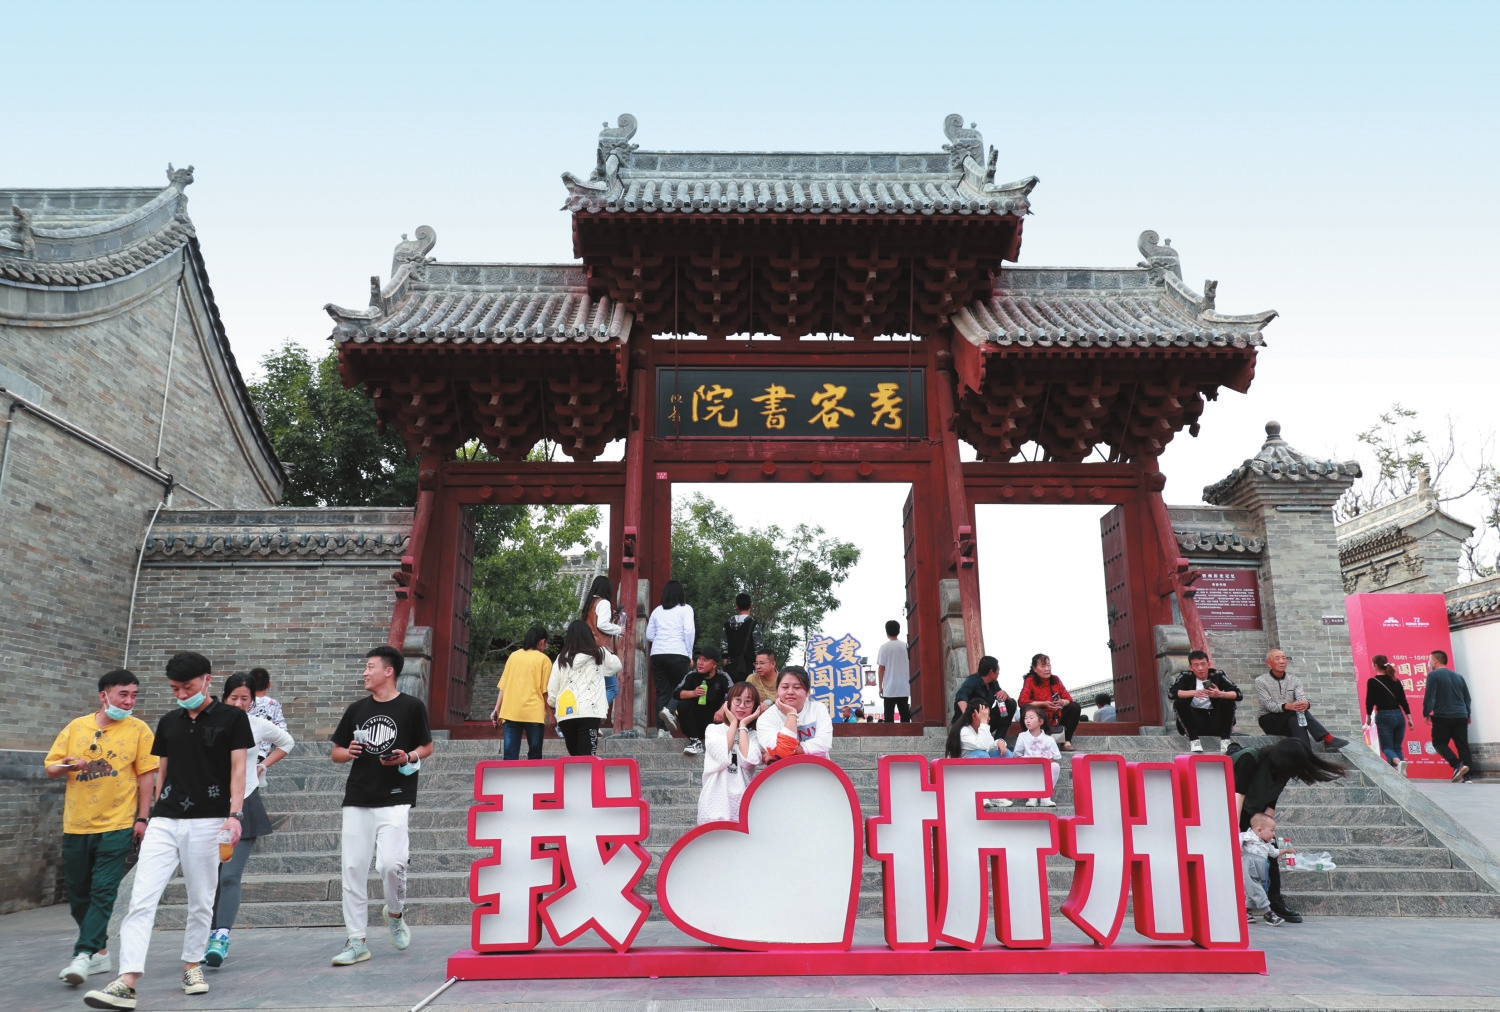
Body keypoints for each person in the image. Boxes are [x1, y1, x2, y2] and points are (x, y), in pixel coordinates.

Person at [85, 652, 253, 1011]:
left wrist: (234, 814)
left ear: (207, 680)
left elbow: (238, 768)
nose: (181, 695)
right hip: (165, 820)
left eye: (187, 687)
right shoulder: (167, 722)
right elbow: (162, 771)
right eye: (175, 689)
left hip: (209, 820)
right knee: (141, 898)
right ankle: (127, 980)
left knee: (201, 898)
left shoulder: (232, 718)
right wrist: (151, 815)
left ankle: (192, 966)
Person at [45, 670, 158, 991]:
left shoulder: (139, 730)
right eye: (123, 694)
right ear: (103, 695)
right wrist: (68, 765)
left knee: (104, 891)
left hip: (118, 824)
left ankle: (82, 955)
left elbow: (147, 777)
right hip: (77, 824)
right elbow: (51, 768)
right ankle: (100, 952)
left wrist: (143, 818)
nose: (130, 701)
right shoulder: (76, 727)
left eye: (134, 695)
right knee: (78, 893)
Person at [328, 646, 434, 968]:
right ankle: (356, 940)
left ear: (388, 671)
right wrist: (349, 752)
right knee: (352, 869)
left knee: (391, 864)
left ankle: (395, 914)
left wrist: (407, 756)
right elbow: (336, 753)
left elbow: (427, 746)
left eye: (370, 667)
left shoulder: (412, 707)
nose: (365, 672)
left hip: (396, 796)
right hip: (358, 796)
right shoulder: (356, 709)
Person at [205, 673, 295, 968]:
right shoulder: (210, 724)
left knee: (229, 876)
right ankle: (206, 935)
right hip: (211, 805)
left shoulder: (257, 725)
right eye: (234, 698)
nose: (239, 703)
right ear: (224, 697)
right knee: (210, 878)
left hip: (245, 804)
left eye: (245, 698)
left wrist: (262, 765)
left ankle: (220, 936)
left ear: (253, 701)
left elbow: (287, 742)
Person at [1231, 736, 1345, 924]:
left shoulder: (1284, 771)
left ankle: (1274, 901)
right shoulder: (1250, 759)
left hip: (1255, 812)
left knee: (1269, 852)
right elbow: (1239, 794)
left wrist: (1266, 829)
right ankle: (1238, 904)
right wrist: (1235, 829)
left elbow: (1271, 801)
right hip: (1233, 805)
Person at [547, 620, 621, 757]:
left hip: (566, 714)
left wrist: (553, 704)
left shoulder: (561, 658)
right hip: (589, 713)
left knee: (575, 756)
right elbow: (617, 665)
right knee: (587, 758)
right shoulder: (599, 653)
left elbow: (552, 689)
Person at [1254, 649, 1349, 753]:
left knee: (1296, 718)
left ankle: (1306, 753)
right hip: (1269, 720)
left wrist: (1305, 704)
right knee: (1295, 712)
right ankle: (1328, 738)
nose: (1282, 661)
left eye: (1284, 658)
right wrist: (1287, 706)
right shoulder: (1261, 681)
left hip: (1291, 718)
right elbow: (1268, 705)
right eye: (1277, 659)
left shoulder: (1294, 680)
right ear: (1268, 663)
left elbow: (1301, 697)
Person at [697, 682, 765, 824]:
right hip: (714, 801)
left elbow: (749, 760)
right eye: (737, 700)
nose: (742, 706)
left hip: (744, 801)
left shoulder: (754, 736)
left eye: (748, 702)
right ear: (728, 703)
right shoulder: (713, 730)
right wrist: (733, 723)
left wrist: (743, 725)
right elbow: (721, 753)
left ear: (755, 706)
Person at [489, 624, 552, 761]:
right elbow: (545, 691)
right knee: (535, 756)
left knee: (510, 757)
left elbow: (503, 686)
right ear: (542, 642)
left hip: (511, 712)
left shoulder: (513, 656)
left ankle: (510, 776)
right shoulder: (544, 660)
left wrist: (497, 709)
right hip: (534, 714)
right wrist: (551, 715)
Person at [645, 580, 694, 737]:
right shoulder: (686, 609)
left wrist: (662, 641)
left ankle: (662, 730)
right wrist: (689, 653)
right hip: (678, 652)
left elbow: (649, 635)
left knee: (662, 692)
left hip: (657, 655)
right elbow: (689, 632)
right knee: (683, 687)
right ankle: (670, 710)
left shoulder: (657, 611)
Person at [1170, 650, 1244, 753]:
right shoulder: (1185, 676)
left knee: (1228, 701)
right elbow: (1171, 693)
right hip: (1194, 722)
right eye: (1196, 665)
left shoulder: (1217, 675)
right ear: (1191, 667)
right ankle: (1194, 740)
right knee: (1179, 702)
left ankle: (1225, 740)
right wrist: (1193, 693)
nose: (1200, 668)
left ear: (1208, 664)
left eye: (1203, 664)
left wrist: (1220, 694)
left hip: (1215, 721)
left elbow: (1239, 694)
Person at [756, 666, 834, 763]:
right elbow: (781, 750)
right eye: (785, 687)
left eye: (797, 687)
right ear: (777, 691)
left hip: (818, 769)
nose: (790, 692)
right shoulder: (766, 718)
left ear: (807, 692)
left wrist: (785, 751)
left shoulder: (818, 709)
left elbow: (824, 745)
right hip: (783, 771)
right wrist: (791, 714)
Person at [1424, 648, 1473, 783]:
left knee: (1438, 743)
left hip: (1443, 715)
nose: (1429, 663)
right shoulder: (1459, 676)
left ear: (1435, 661)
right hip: (1461, 715)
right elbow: (1467, 698)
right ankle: (1468, 777)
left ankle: (1457, 765)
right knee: (1462, 745)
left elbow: (1430, 696)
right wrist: (1468, 714)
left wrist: (1426, 712)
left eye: (1429, 660)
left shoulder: (1433, 675)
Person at [673, 644, 732, 756]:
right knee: (683, 703)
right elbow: (676, 693)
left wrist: (722, 709)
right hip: (695, 722)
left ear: (714, 665)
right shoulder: (692, 675)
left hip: (715, 721)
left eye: (705, 660)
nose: (700, 663)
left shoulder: (722, 676)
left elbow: (734, 693)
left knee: (730, 702)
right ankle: (695, 741)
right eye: (699, 659)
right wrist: (693, 693)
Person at [1017, 653, 1082, 751]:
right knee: (1024, 709)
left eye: (1048, 665)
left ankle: (1066, 741)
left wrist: (1061, 702)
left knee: (1074, 707)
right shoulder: (1030, 680)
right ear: (1035, 669)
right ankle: (1034, 740)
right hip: (1040, 719)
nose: (1047, 669)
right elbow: (1022, 702)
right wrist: (1043, 704)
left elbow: (1069, 699)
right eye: (1043, 666)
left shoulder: (1055, 679)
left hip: (1057, 716)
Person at [1363, 653, 1412, 773]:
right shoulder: (1396, 681)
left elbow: (1369, 701)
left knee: (1386, 748)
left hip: (1384, 715)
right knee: (1397, 747)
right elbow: (1403, 701)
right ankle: (1400, 773)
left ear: (1376, 666)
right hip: (1399, 715)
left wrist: (1368, 716)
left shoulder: (1373, 681)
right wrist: (1409, 718)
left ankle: (1399, 763)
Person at [1241, 813, 1292, 926]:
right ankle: (1268, 913)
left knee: (1254, 890)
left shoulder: (1267, 844)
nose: (1274, 834)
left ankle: (1246, 910)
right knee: (1255, 889)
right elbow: (1235, 841)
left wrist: (1286, 850)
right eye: (1272, 830)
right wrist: (1238, 848)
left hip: (1262, 868)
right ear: (1259, 830)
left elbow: (1274, 853)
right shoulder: (1247, 837)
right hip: (1249, 866)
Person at [951, 656, 1017, 742]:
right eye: (997, 670)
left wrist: (1005, 695)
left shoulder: (994, 684)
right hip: (969, 722)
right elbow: (961, 696)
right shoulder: (972, 680)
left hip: (984, 721)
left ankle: (999, 740)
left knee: (1011, 704)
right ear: (991, 672)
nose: (998, 673)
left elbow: (1002, 699)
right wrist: (967, 715)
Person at [581, 577, 623, 711]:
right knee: (612, 688)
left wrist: (611, 618)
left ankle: (589, 712)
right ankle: (593, 712)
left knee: (593, 686)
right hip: (601, 650)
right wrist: (619, 629)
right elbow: (602, 625)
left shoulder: (589, 603)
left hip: (587, 648)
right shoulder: (604, 603)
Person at [1010, 706, 1060, 807]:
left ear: (1040, 721)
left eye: (1031, 718)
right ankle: (1032, 796)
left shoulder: (1049, 739)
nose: (1028, 721)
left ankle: (1046, 796)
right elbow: (1017, 755)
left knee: (1055, 766)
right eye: (1026, 718)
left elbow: (1055, 758)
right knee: (1029, 767)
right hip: (1028, 765)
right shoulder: (1022, 736)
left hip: (1043, 766)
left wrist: (1043, 761)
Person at [721, 592, 762, 683]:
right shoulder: (754, 624)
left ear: (736, 606)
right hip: (749, 668)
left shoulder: (727, 624)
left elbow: (724, 648)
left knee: (733, 691)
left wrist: (727, 664)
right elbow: (758, 649)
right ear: (751, 606)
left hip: (731, 668)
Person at [877, 620, 911, 723]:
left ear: (887, 632)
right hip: (904, 687)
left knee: (889, 718)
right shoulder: (906, 646)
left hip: (889, 688)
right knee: (905, 716)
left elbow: (881, 668)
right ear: (898, 631)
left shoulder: (884, 648)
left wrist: (880, 687)